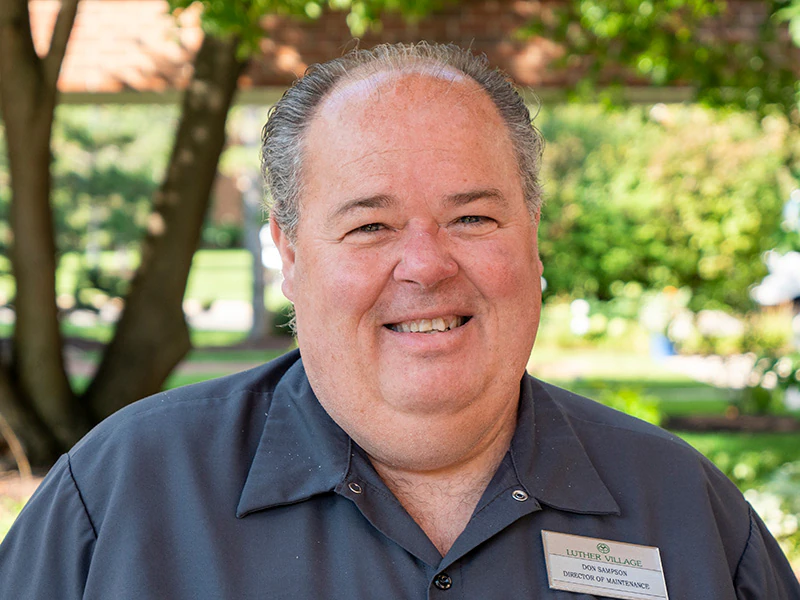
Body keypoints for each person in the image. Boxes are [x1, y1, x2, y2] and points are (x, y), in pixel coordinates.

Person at [1, 42, 798, 600]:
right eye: (370, 225)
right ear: (289, 252)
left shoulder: (686, 512)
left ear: (533, 234)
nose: (426, 265)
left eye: (473, 218)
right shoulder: (119, 500)